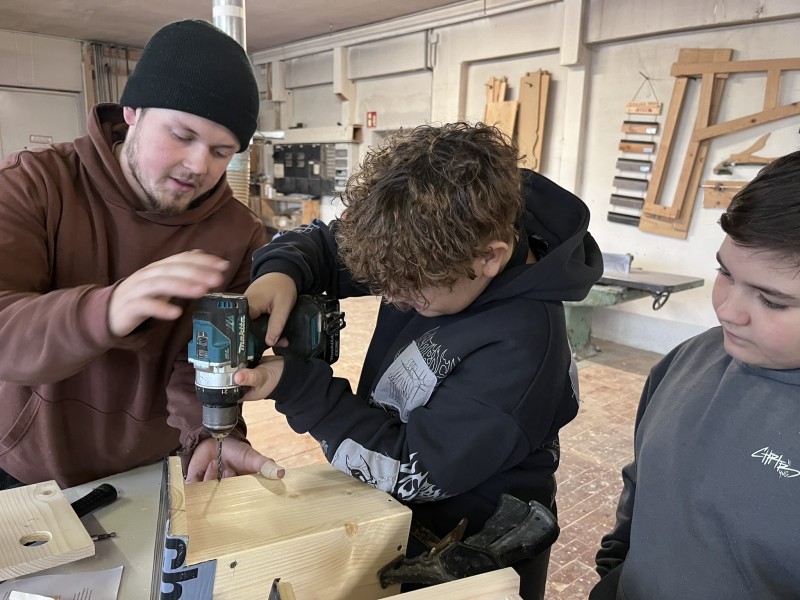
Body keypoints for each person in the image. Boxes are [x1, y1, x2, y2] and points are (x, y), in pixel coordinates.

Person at [234, 122, 603, 599]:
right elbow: (330, 245)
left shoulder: (523, 348)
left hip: (476, 550)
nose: (393, 298)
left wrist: (300, 388)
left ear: (490, 258)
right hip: (404, 510)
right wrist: (282, 271)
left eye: (411, 291)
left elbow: (412, 469)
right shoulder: (426, 238)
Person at [0, 19, 280, 491]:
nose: (198, 166)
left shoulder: (238, 235)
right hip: (22, 469)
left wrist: (212, 434)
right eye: (182, 135)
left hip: (155, 472)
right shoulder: (34, 185)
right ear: (132, 111)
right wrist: (106, 309)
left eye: (220, 151)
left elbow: (205, 364)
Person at [591, 150, 800, 599]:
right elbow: (642, 485)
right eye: (725, 273)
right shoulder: (689, 359)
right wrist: (614, 575)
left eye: (774, 301)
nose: (726, 311)